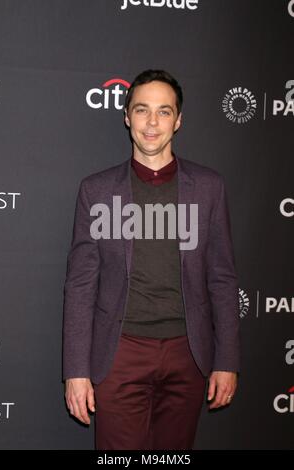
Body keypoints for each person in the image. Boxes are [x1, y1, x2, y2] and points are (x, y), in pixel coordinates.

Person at [62, 69, 240, 450]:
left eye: (164, 111)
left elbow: (222, 279)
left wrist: (227, 360)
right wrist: (75, 371)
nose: (152, 122)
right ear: (127, 116)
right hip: (119, 352)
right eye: (142, 110)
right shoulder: (96, 191)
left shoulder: (210, 187)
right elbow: (80, 285)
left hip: (188, 354)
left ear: (178, 120)